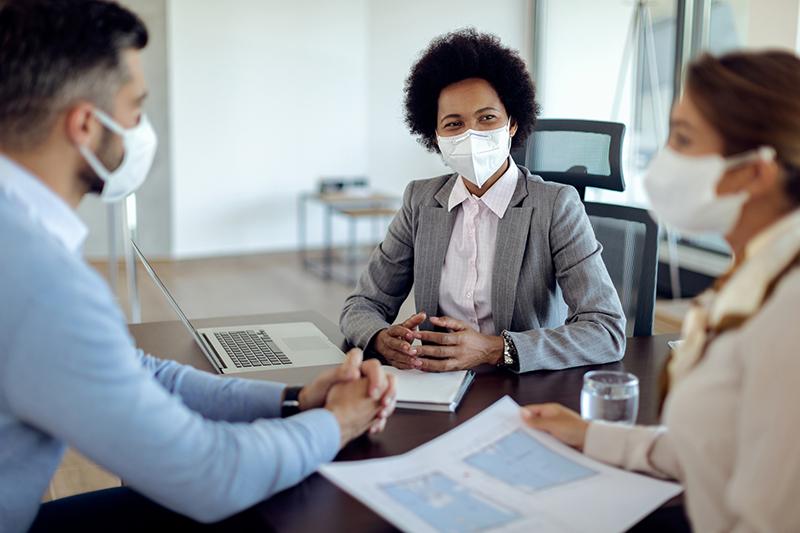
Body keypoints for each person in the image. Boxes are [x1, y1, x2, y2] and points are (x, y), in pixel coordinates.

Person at [0, 1, 396, 531]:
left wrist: (295, 400)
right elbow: (212, 475)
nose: (141, 128)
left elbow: (140, 372)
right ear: (85, 126)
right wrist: (337, 422)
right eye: (136, 109)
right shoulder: (40, 281)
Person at [522, 50, 800, 532]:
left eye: (684, 138)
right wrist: (589, 434)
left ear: (755, 171)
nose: (665, 157)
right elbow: (711, 446)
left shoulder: (788, 314)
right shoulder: (754, 273)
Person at [340, 29, 626, 373]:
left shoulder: (556, 206)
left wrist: (495, 349)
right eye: (453, 123)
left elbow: (606, 330)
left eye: (486, 117)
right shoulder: (420, 200)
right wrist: (380, 337)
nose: (470, 134)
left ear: (512, 123)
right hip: (436, 384)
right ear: (436, 138)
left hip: (522, 386)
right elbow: (361, 305)